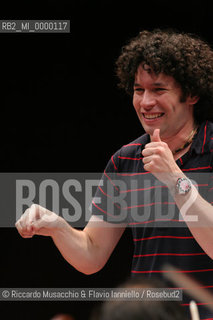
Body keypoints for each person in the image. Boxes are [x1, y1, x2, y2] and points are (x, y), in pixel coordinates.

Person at [16, 29, 213, 319]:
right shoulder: (126, 160)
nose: (146, 102)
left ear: (191, 93)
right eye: (138, 90)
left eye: (158, 90)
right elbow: (92, 255)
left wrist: (176, 179)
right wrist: (58, 227)